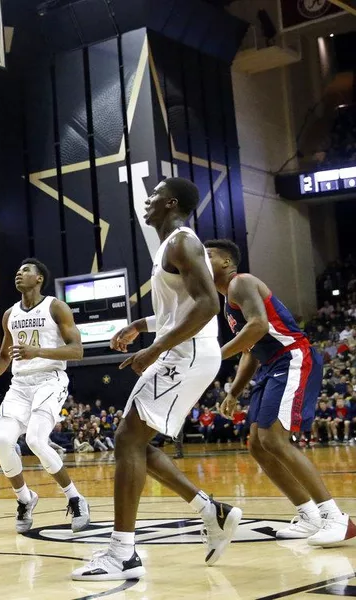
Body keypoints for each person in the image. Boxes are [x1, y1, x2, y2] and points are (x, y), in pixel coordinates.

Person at [72, 178, 241, 582]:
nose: (145, 202)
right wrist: (140, 326)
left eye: (152, 196)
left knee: (128, 441)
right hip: (180, 351)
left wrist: (151, 349)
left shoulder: (184, 242)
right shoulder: (170, 247)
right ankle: (210, 510)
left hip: (188, 354)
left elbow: (207, 305)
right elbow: (180, 308)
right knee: (134, 442)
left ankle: (123, 553)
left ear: (169, 202)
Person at [205, 238, 355, 546]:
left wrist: (214, 356)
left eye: (207, 255)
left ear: (226, 263)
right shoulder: (227, 304)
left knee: (273, 439)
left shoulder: (240, 283)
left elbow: (259, 325)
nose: (198, 259)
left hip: (293, 357)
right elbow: (250, 349)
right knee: (258, 446)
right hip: (271, 364)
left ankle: (336, 518)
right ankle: (309, 515)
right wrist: (233, 391)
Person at [0, 258, 90, 535]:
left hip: (49, 379)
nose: (19, 273)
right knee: (2, 442)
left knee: (36, 440)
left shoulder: (56, 307)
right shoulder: (10, 314)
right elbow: (5, 355)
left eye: (26, 270)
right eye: (17, 270)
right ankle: (25, 499)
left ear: (39, 279)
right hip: (20, 385)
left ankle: (75, 498)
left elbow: (77, 351)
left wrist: (38, 352)